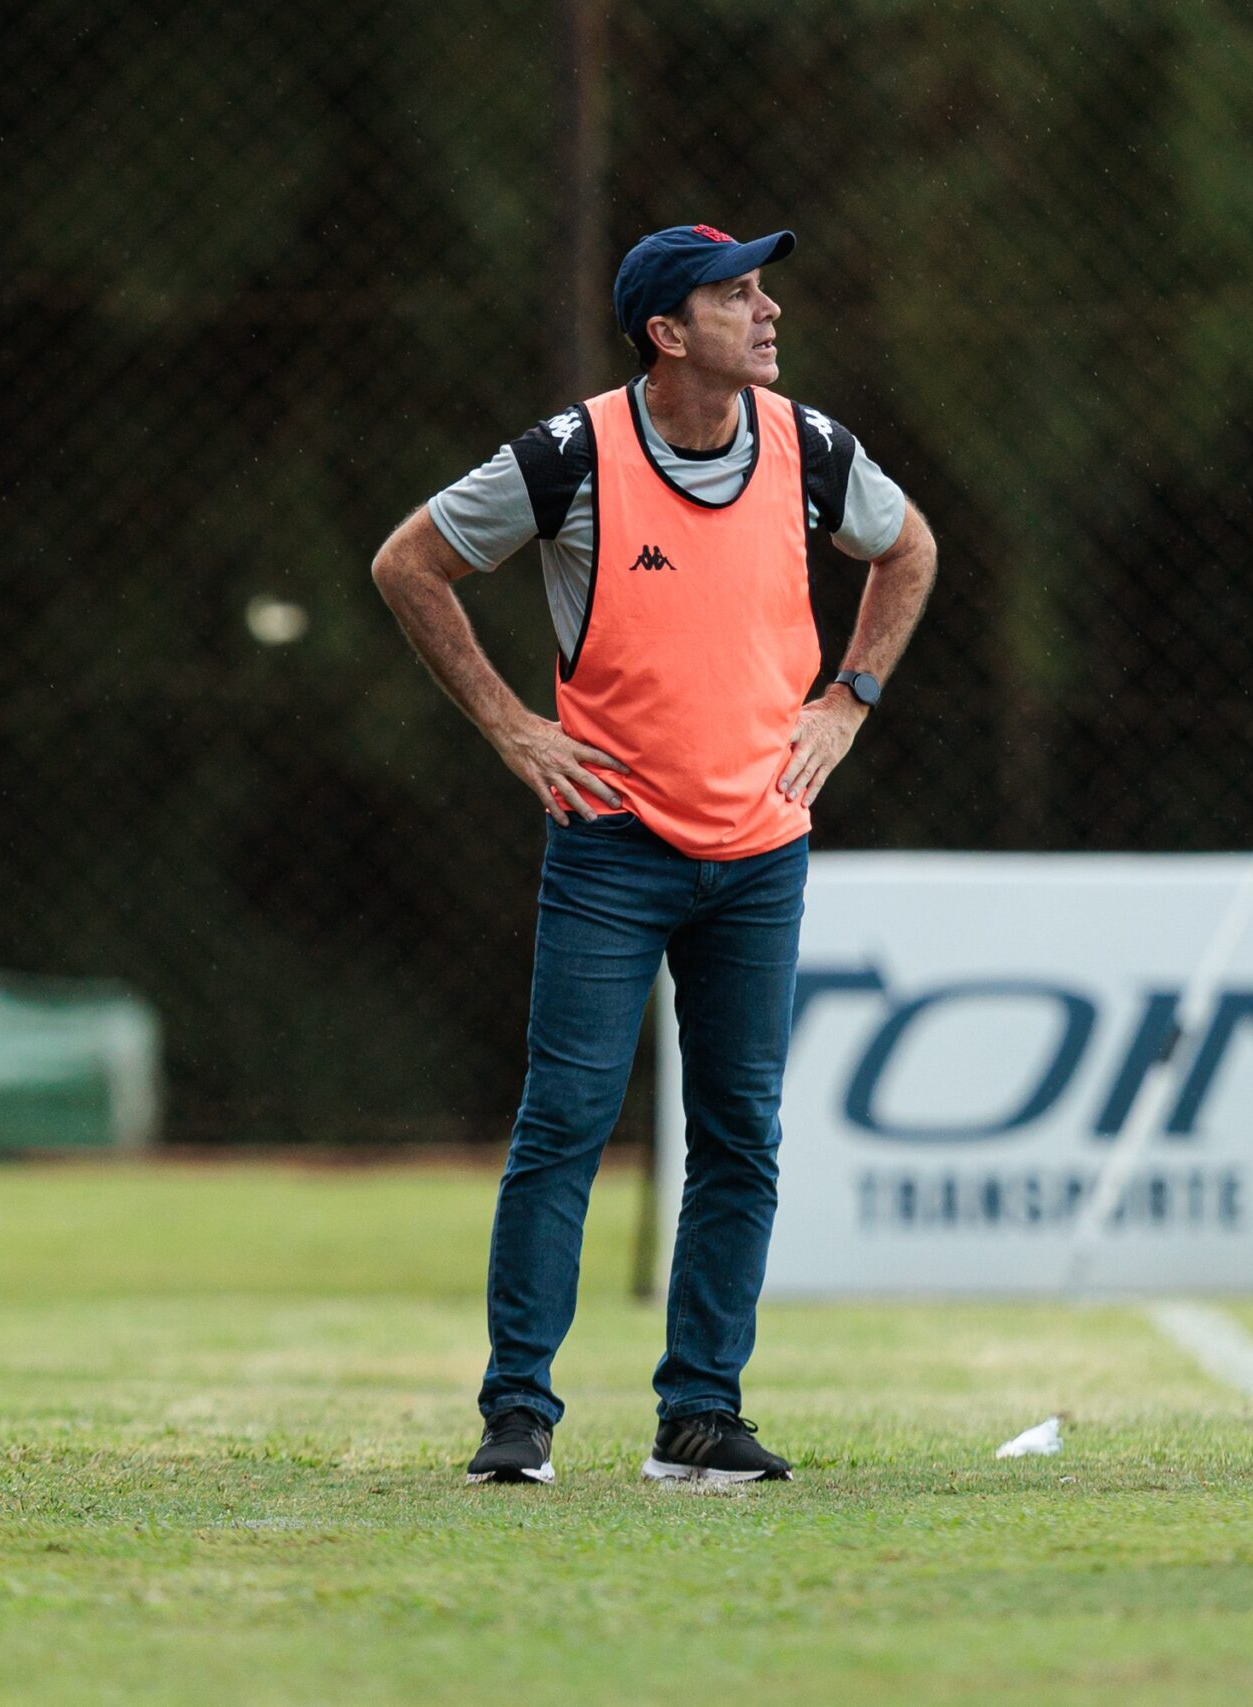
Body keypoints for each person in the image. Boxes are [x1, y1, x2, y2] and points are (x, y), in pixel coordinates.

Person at [371, 224, 936, 1486]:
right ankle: (517, 1413)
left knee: (739, 1134)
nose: (768, 309)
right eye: (735, 295)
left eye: (762, 287)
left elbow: (910, 549)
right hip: (611, 849)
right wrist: (513, 725)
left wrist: (847, 701)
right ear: (666, 334)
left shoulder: (809, 446)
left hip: (761, 849)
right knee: (562, 1124)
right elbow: (408, 563)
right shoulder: (571, 455)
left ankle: (700, 1414)